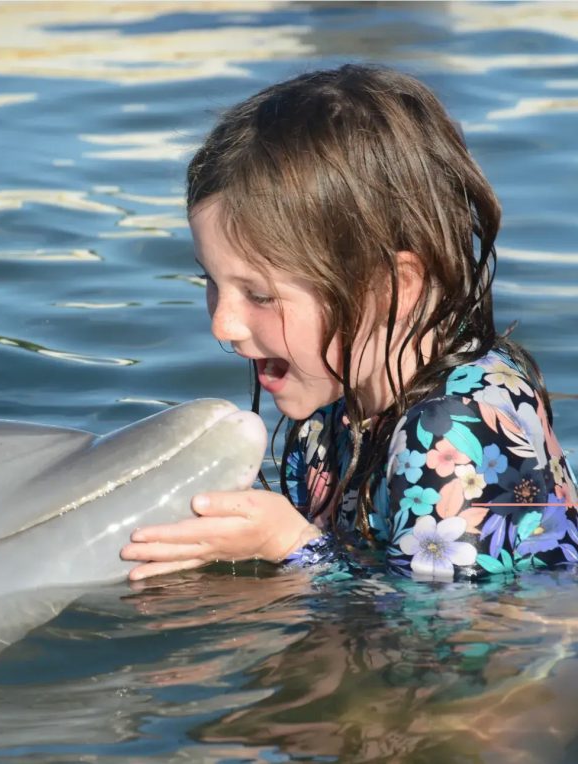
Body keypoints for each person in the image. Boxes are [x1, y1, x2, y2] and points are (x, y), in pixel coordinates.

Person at [120, 64, 578, 582]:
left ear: (394, 286)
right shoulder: (334, 402)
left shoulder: (453, 431)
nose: (222, 325)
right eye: (212, 282)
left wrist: (289, 544)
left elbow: (451, 641)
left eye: (259, 295)